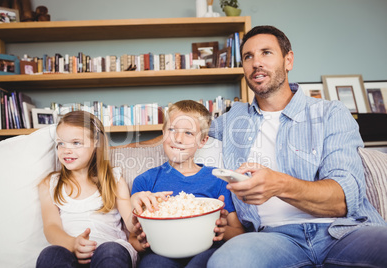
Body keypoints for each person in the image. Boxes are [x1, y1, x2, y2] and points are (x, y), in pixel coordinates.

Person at [207, 25, 387, 267]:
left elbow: (343, 199)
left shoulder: (330, 113)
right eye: (248, 56)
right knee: (226, 262)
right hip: (272, 239)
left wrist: (278, 185)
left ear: (288, 60)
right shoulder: (231, 120)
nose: (256, 63)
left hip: (343, 232)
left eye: (266, 53)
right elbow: (182, 133)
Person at [131, 100, 245, 268]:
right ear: (163, 133)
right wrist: (141, 243)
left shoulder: (218, 179)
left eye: (188, 133)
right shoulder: (144, 182)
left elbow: (239, 233)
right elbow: (133, 239)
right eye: (172, 130)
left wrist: (222, 230)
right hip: (161, 253)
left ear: (203, 141)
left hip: (207, 250)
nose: (178, 139)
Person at [36, 111, 141, 268]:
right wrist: (73, 243)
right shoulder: (51, 184)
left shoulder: (114, 179)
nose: (66, 150)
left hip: (109, 249)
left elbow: (129, 222)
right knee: (50, 255)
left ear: (96, 144)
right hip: (70, 250)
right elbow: (51, 227)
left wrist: (140, 223)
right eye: (60, 143)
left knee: (111, 251)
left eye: (76, 143)